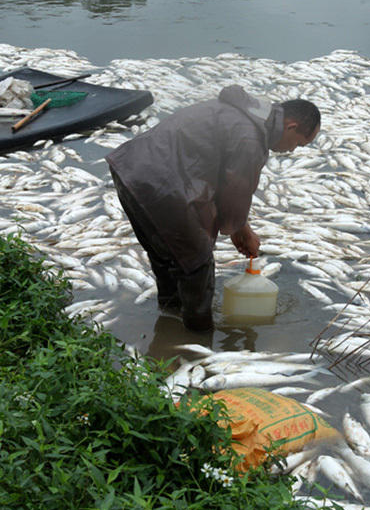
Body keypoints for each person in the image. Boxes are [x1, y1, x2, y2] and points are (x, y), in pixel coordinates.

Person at [106, 85, 320, 331]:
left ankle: (169, 319)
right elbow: (235, 191)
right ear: (291, 127)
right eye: (298, 144)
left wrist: (239, 227)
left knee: (166, 256)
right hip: (159, 184)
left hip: (130, 170)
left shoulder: (242, 113)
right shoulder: (250, 138)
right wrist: (241, 230)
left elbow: (224, 185)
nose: (291, 150)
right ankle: (198, 335)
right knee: (197, 262)